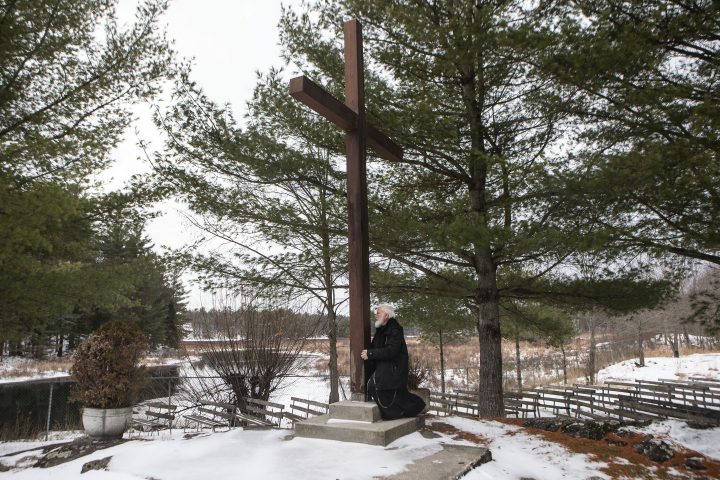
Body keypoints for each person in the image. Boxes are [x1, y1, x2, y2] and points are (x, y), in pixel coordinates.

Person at [360, 304, 425, 420]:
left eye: (378, 313)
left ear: (386, 315)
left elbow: (391, 351)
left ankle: (396, 413)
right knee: (387, 391)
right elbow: (375, 347)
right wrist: (368, 352)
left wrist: (370, 354)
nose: (376, 315)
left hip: (394, 368)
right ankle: (399, 412)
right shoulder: (381, 330)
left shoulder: (395, 330)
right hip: (385, 367)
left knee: (374, 386)